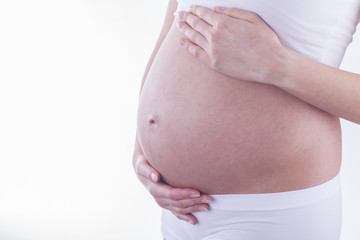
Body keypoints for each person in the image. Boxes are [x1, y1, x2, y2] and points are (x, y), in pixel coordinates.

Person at [133, 0, 360, 239]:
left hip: (271, 212)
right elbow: (177, 21)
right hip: (177, 210)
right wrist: (141, 149)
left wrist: (276, 63)